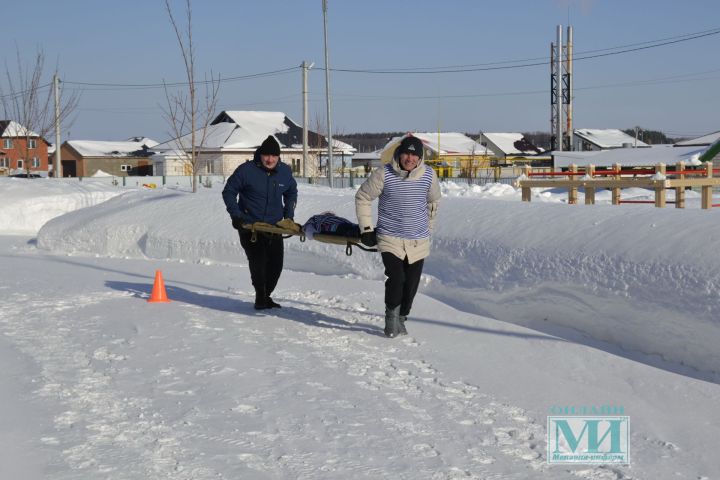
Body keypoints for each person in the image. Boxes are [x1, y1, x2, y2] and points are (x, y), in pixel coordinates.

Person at [355, 135, 441, 337]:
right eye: (406, 153)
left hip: (418, 240)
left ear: (419, 158)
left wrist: (428, 229)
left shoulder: (428, 175)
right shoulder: (384, 173)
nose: (409, 158)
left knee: (411, 284)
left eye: (414, 155)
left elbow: (434, 202)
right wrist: (366, 229)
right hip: (390, 237)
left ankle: (402, 317)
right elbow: (363, 197)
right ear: (399, 153)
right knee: (397, 278)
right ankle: (391, 318)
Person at [222, 135, 298, 310]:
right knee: (259, 262)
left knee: (276, 265)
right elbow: (229, 192)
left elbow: (291, 192)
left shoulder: (285, 172)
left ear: (279, 157)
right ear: (260, 155)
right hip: (250, 226)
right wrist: (236, 215)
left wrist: (288, 215)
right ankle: (260, 297)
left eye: (274, 156)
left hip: (274, 226)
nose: (270, 159)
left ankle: (266, 295)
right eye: (266, 156)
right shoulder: (246, 170)